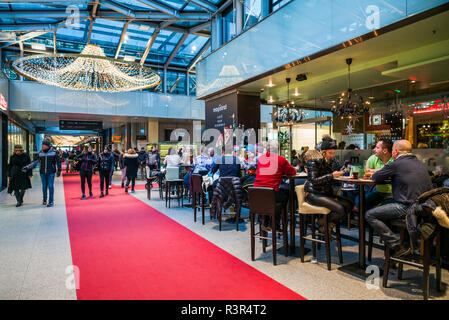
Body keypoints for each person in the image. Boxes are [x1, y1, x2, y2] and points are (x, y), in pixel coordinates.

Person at [366, 140, 433, 258]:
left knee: (370, 214)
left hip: (408, 208)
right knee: (385, 209)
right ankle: (406, 243)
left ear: (395, 152)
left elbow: (376, 177)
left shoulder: (397, 163)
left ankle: (398, 245)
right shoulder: (418, 162)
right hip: (425, 207)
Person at [305, 138, 353, 234]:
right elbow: (313, 180)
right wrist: (332, 175)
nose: (332, 155)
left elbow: (329, 178)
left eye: (333, 153)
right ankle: (324, 225)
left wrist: (341, 176)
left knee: (349, 204)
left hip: (325, 193)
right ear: (323, 152)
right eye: (330, 153)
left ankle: (325, 224)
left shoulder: (328, 162)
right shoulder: (313, 162)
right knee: (340, 209)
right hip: (313, 193)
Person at [253, 141, 296, 228]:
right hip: (271, 193)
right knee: (287, 194)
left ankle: (266, 221)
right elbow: (292, 171)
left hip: (256, 193)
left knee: (271, 196)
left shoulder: (261, 159)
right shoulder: (281, 159)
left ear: (267, 149)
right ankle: (275, 223)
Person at [23, 139, 61, 207]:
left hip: (51, 172)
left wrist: (59, 170)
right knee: (44, 187)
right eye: (42, 145)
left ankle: (51, 201)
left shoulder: (54, 152)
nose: (42, 147)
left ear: (48, 146)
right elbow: (35, 162)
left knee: (50, 186)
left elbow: (58, 162)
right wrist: (27, 167)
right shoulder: (40, 153)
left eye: (44, 145)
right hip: (42, 172)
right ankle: (44, 199)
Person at [363, 139, 394, 210]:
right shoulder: (373, 158)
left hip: (393, 193)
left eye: (377, 148)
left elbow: (394, 171)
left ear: (385, 151)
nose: (374, 149)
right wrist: (386, 171)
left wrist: (373, 171)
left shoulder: (395, 159)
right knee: (361, 203)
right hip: (377, 190)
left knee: (384, 210)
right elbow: (366, 172)